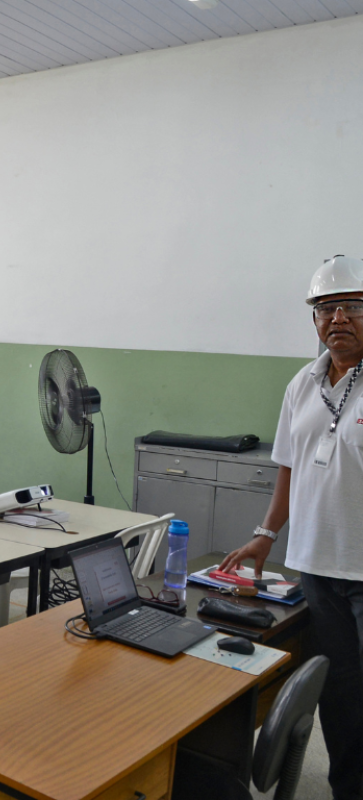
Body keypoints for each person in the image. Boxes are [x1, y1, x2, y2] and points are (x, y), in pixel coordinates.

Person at [220, 254, 363, 800]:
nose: (338, 319)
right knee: (340, 698)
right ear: (314, 320)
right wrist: (267, 533)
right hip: (316, 571)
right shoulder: (301, 384)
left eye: (351, 305)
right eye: (326, 308)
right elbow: (289, 466)